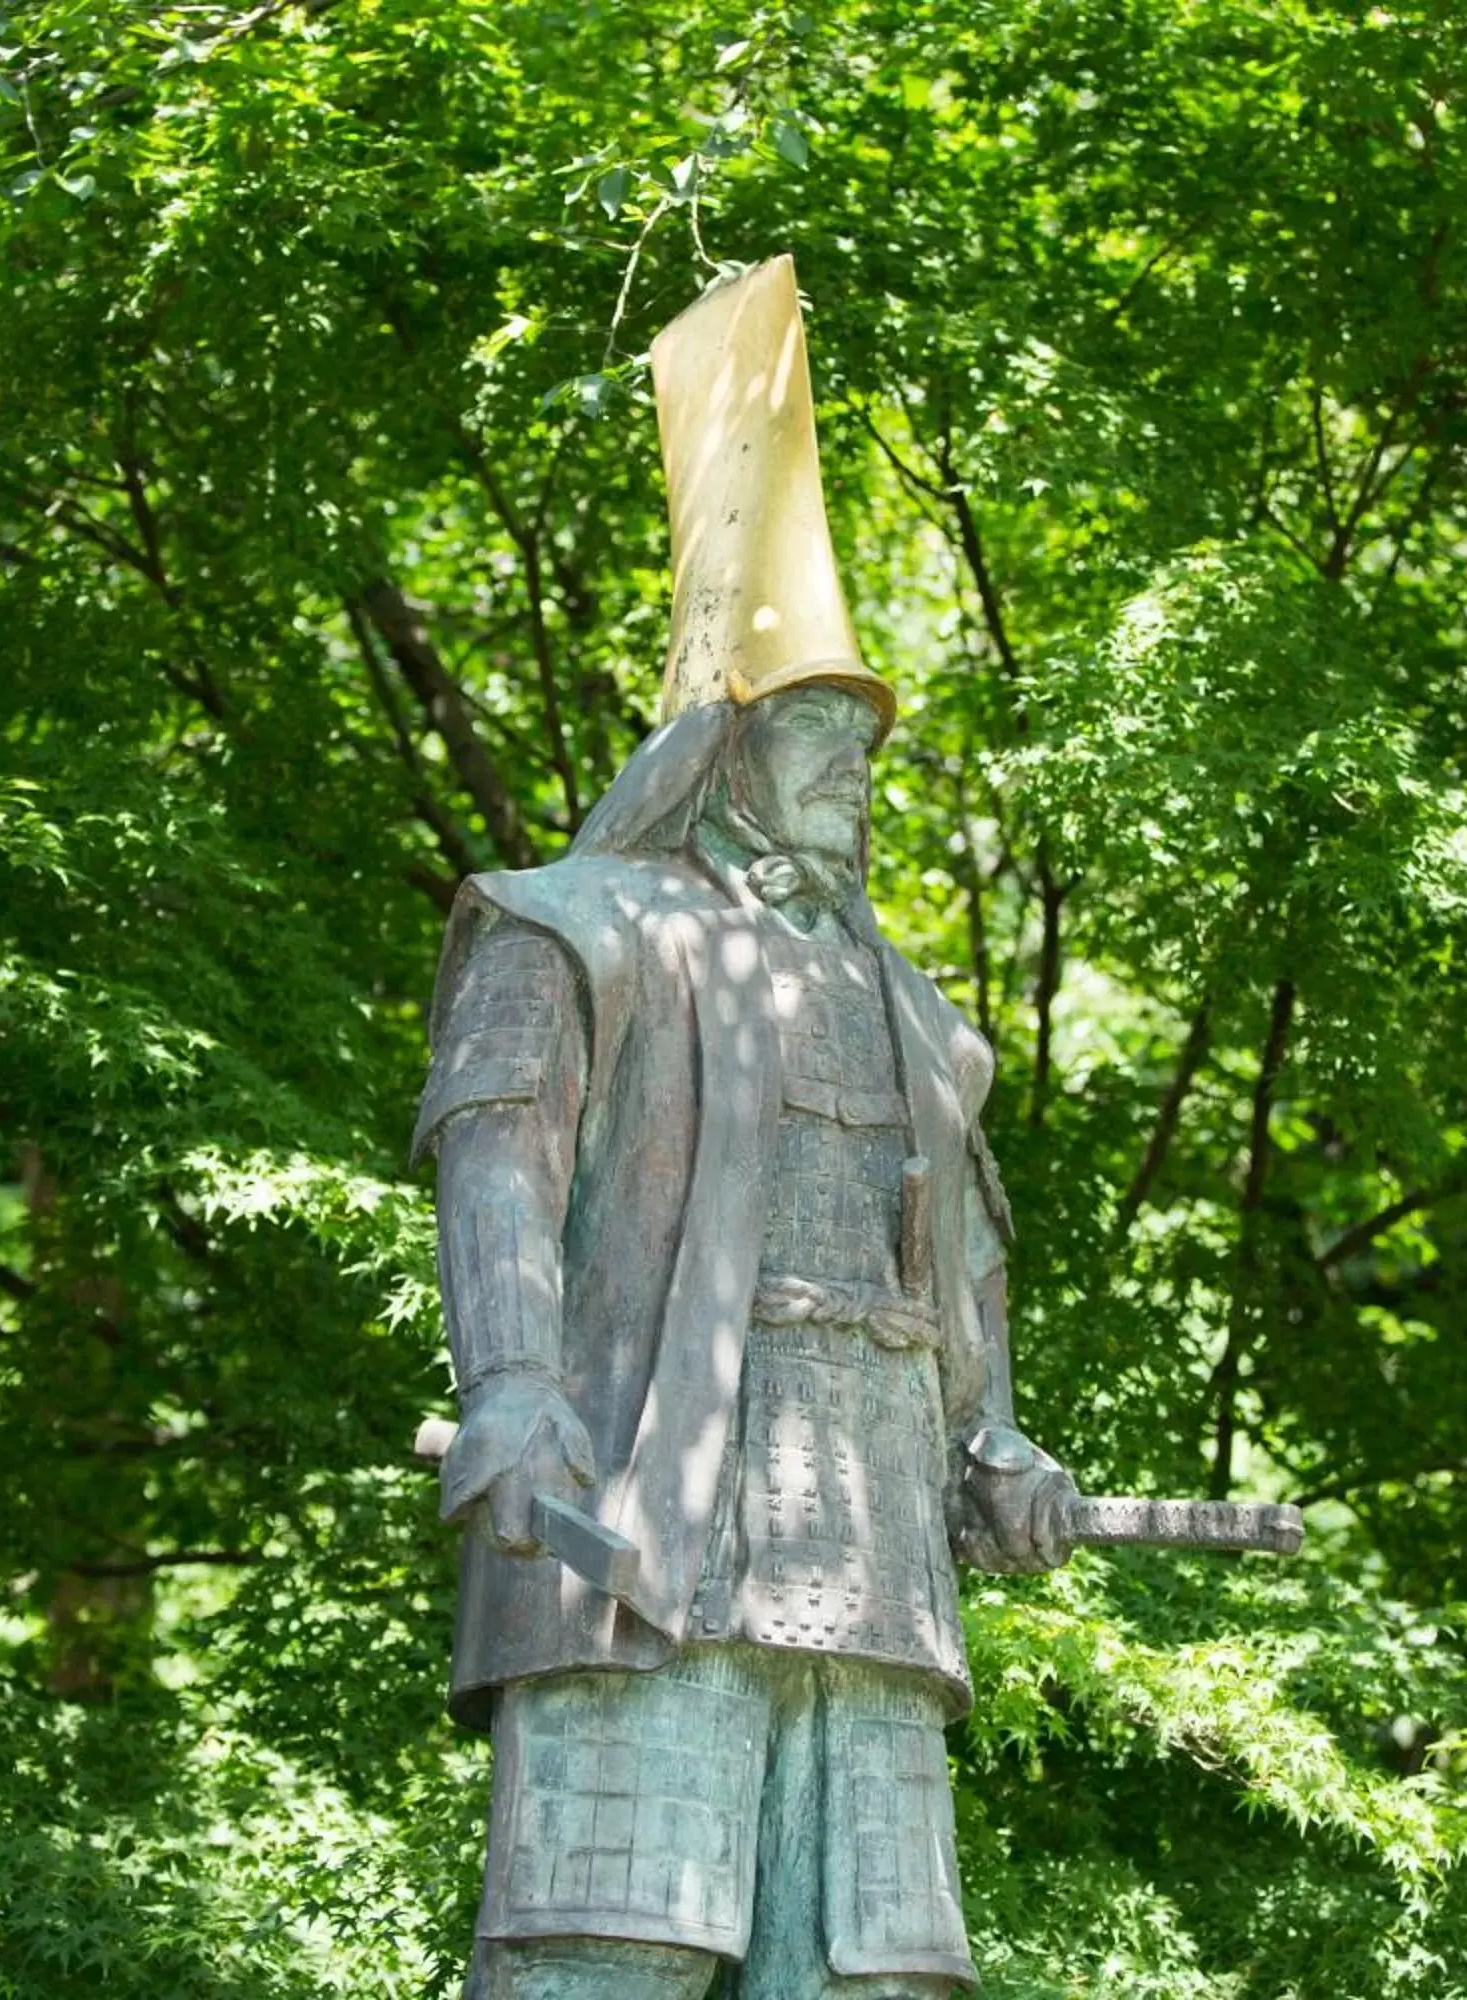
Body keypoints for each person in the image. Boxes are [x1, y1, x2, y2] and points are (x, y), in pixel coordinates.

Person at [416, 256, 1078, 2000]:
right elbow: (502, 1149)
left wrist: (991, 1444)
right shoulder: (579, 925)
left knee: (878, 1978)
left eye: (866, 740)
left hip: (872, 1557)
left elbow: (958, 1272)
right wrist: (510, 1388)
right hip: (654, 1516)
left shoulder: (921, 1013)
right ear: (722, 744)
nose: (856, 764)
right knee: (606, 1951)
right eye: (815, 730)